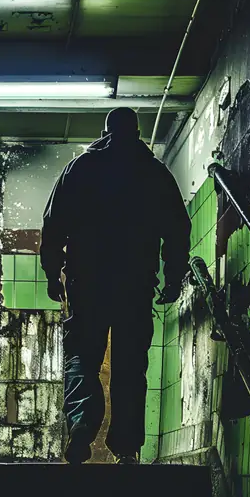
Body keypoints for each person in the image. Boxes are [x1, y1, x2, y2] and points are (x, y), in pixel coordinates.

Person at [40, 107, 191, 465]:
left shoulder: (79, 169)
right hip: (134, 285)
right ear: (137, 132)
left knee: (81, 357)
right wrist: (172, 277)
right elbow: (178, 230)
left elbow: (52, 224)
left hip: (86, 282)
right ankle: (126, 449)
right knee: (130, 365)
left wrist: (51, 273)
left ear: (105, 131)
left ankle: (81, 422)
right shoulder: (155, 173)